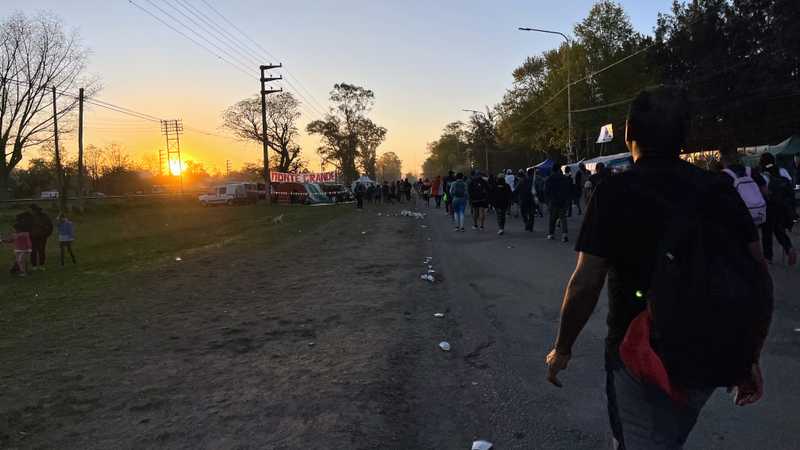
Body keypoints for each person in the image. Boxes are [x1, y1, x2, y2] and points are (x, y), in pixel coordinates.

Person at [546, 86, 773, 450]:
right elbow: (757, 273)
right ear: (684, 137)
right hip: (713, 351)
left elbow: (586, 283)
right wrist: (748, 354)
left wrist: (563, 349)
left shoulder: (615, 193)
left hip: (640, 355)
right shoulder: (718, 189)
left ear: (628, 133)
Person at [759, 153, 797, 265]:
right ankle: (789, 248)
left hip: (769, 207)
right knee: (779, 230)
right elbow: (790, 186)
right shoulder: (783, 171)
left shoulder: (762, 175)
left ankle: (768, 258)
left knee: (767, 233)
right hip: (783, 207)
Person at [545, 163, 573, 242]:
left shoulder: (549, 179)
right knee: (563, 218)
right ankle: (564, 235)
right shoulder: (564, 178)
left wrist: (547, 201)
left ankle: (551, 234)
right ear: (559, 169)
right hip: (563, 201)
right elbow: (568, 190)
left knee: (552, 218)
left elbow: (547, 191)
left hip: (553, 201)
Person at [29, 204, 53, 270]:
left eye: (34, 210)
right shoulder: (30, 217)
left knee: (41, 250)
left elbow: (50, 226)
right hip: (32, 237)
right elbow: (26, 227)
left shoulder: (44, 216)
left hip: (42, 237)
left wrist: (46, 234)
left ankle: (41, 265)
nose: (33, 211)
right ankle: (34, 265)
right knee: (33, 251)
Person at [518, 168, 538, 232]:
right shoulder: (535, 180)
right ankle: (531, 226)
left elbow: (517, 188)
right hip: (532, 198)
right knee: (531, 213)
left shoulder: (523, 180)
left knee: (523, 212)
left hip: (524, 199)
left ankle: (527, 223)